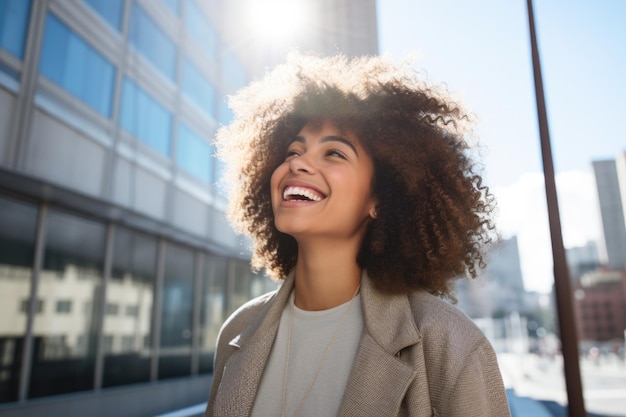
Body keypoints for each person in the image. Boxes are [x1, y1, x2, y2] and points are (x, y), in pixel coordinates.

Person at [205, 53, 511, 417]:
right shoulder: (237, 332)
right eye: (293, 151)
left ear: (381, 199)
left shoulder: (448, 342)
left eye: (334, 153)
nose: (297, 163)